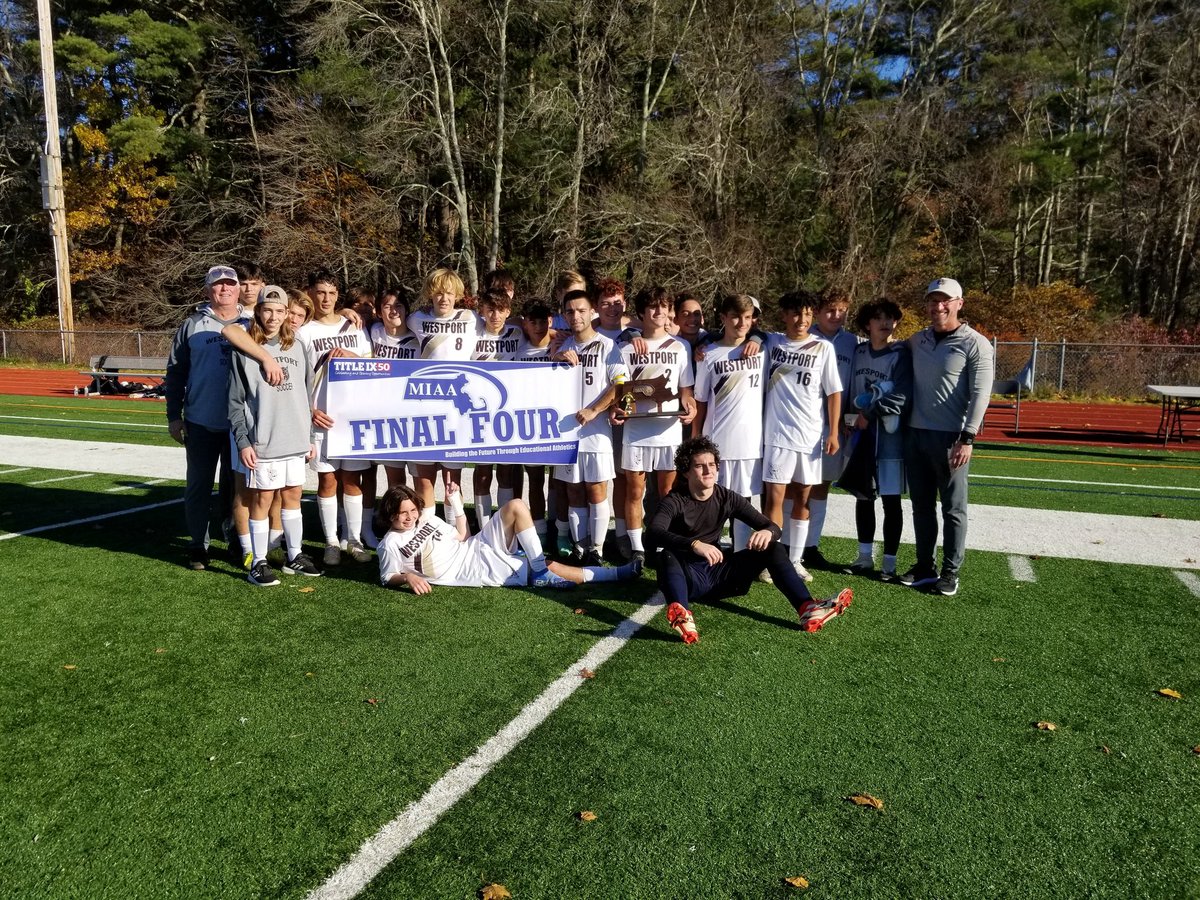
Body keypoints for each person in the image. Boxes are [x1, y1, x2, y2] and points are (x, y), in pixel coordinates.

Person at [646, 436, 853, 643]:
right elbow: (654, 532)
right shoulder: (675, 500)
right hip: (687, 578)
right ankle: (683, 615)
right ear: (686, 472)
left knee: (773, 547)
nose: (708, 471)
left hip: (720, 575)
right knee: (667, 556)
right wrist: (694, 544)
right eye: (700, 466)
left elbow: (772, 527)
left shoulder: (727, 497)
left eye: (712, 464)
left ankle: (807, 607)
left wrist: (768, 532)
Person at [165, 264, 274, 570]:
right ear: (207, 289)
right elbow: (176, 372)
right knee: (199, 485)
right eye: (217, 284)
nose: (224, 289)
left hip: (242, 424)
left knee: (238, 489)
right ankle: (198, 545)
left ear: (239, 289)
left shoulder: (253, 323)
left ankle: (238, 541)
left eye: (230, 283)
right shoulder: (192, 325)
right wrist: (174, 415)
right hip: (201, 420)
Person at [901, 277, 995, 596]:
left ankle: (950, 572)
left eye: (945, 300)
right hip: (916, 434)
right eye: (933, 300)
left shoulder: (976, 343)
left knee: (953, 509)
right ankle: (924, 566)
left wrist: (967, 438)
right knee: (921, 506)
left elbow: (981, 393)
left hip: (951, 439)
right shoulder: (917, 340)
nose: (938, 306)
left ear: (959, 304)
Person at [375, 484, 642, 592]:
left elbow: (463, 536)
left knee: (516, 505)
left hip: (476, 545)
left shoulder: (427, 519)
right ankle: (618, 574)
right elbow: (387, 577)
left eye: (412, 510)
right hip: (474, 569)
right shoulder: (390, 544)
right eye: (403, 513)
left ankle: (539, 571)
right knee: (553, 566)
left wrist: (454, 503)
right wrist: (408, 577)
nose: (410, 517)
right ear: (390, 514)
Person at [227, 286, 321, 585]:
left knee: (293, 496)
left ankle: (294, 555)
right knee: (262, 500)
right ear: (258, 311)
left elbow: (306, 394)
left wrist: (309, 436)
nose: (273, 316)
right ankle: (258, 561)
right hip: (263, 440)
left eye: (280, 311)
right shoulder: (244, 348)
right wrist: (243, 441)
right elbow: (235, 402)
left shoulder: (298, 346)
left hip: (295, 439)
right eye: (267, 310)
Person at [761, 289, 842, 582]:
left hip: (809, 437)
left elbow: (834, 393)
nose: (802, 320)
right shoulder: (771, 343)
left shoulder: (823, 348)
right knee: (774, 501)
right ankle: (771, 561)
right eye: (796, 313)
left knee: (802, 500)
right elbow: (744, 333)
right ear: (784, 315)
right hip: (777, 436)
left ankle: (795, 560)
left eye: (807, 314)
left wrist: (833, 432)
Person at [615, 286, 697, 564]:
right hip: (636, 431)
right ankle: (637, 548)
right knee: (634, 491)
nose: (659, 311)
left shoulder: (680, 346)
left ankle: (664, 544)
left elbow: (686, 389)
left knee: (667, 493)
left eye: (663, 306)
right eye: (652, 306)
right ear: (641, 312)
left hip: (668, 431)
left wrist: (690, 405)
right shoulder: (626, 347)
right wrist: (621, 408)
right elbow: (621, 389)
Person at [301, 269, 374, 566]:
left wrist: (353, 357)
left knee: (353, 481)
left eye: (332, 293)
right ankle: (331, 541)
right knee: (327, 481)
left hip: (353, 418)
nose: (326, 298)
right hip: (322, 418)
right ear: (310, 293)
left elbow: (373, 365)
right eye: (320, 292)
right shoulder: (304, 330)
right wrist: (309, 411)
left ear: (338, 296)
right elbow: (297, 377)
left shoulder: (354, 326)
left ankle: (353, 539)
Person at [553, 288, 625, 565]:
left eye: (581, 310)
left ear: (592, 311)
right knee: (573, 491)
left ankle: (597, 549)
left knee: (596, 490)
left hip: (597, 434)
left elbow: (619, 383)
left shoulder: (607, 346)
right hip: (566, 433)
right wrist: (555, 361)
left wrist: (595, 409)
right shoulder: (562, 348)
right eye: (570, 312)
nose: (576, 316)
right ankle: (580, 546)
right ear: (564, 315)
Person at [691, 294, 766, 552]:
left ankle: (741, 555)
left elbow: (771, 336)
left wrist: (757, 338)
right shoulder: (708, 354)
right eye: (735, 317)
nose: (742, 323)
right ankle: (706, 553)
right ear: (723, 318)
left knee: (743, 502)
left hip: (749, 443)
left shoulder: (763, 351)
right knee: (710, 498)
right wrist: (696, 437)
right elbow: (701, 400)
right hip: (716, 442)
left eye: (747, 317)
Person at [844, 299, 911, 580]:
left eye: (890, 318)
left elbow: (902, 396)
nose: (885, 323)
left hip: (889, 439)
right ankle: (864, 557)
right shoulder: (859, 351)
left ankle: (889, 564)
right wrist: (848, 419)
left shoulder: (901, 354)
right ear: (867, 324)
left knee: (891, 501)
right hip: (861, 436)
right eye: (878, 318)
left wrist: (869, 414)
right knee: (863, 497)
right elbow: (850, 388)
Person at [407, 268, 480, 511]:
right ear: (430, 294)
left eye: (449, 293)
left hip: (457, 409)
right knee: (424, 480)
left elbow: (505, 324)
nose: (444, 298)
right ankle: (426, 527)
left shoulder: (472, 318)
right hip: (426, 408)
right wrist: (346, 312)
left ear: (457, 295)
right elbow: (385, 323)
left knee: (452, 482)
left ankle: (454, 527)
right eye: (438, 293)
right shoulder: (417, 318)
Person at [803, 288, 861, 569]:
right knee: (798, 486)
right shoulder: (804, 336)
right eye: (830, 310)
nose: (836, 315)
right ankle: (788, 545)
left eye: (841, 310)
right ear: (817, 312)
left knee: (822, 485)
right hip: (803, 423)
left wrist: (847, 418)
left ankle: (811, 546)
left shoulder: (853, 342)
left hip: (834, 427)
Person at [471, 288, 524, 529]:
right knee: (483, 472)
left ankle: (503, 527)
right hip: (478, 412)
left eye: (501, 310)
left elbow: (544, 333)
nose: (495, 315)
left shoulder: (517, 333)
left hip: (507, 412)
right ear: (482, 310)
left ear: (508, 311)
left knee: (505, 471)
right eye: (490, 309)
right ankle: (483, 528)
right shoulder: (471, 332)